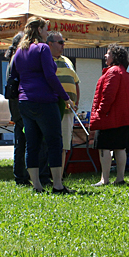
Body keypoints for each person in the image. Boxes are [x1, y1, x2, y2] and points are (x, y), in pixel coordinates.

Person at [10, 16, 73, 194]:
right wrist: (65, 97)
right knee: (54, 142)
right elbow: (50, 76)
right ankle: (58, 185)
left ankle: (36, 185)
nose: (47, 33)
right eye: (46, 29)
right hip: (45, 101)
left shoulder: (19, 51)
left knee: (32, 143)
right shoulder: (43, 48)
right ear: (39, 30)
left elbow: (15, 75)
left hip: (25, 102)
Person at [5, 33, 50, 186]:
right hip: (24, 106)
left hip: (17, 108)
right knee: (34, 143)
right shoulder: (18, 59)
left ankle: (21, 177)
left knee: (21, 143)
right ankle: (38, 176)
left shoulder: (13, 59)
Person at [90, 44, 129, 186]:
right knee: (120, 147)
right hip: (123, 118)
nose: (105, 56)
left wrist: (100, 112)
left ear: (115, 56)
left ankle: (105, 179)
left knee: (103, 147)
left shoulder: (113, 72)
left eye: (108, 53)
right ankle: (120, 178)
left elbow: (108, 95)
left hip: (109, 117)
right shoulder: (126, 72)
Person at [47, 31, 81, 170]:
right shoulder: (45, 59)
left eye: (63, 42)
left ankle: (59, 176)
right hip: (52, 108)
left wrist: (76, 103)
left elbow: (76, 82)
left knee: (64, 145)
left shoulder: (67, 60)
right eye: (60, 42)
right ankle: (48, 175)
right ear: (50, 44)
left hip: (68, 110)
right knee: (51, 143)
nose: (63, 45)